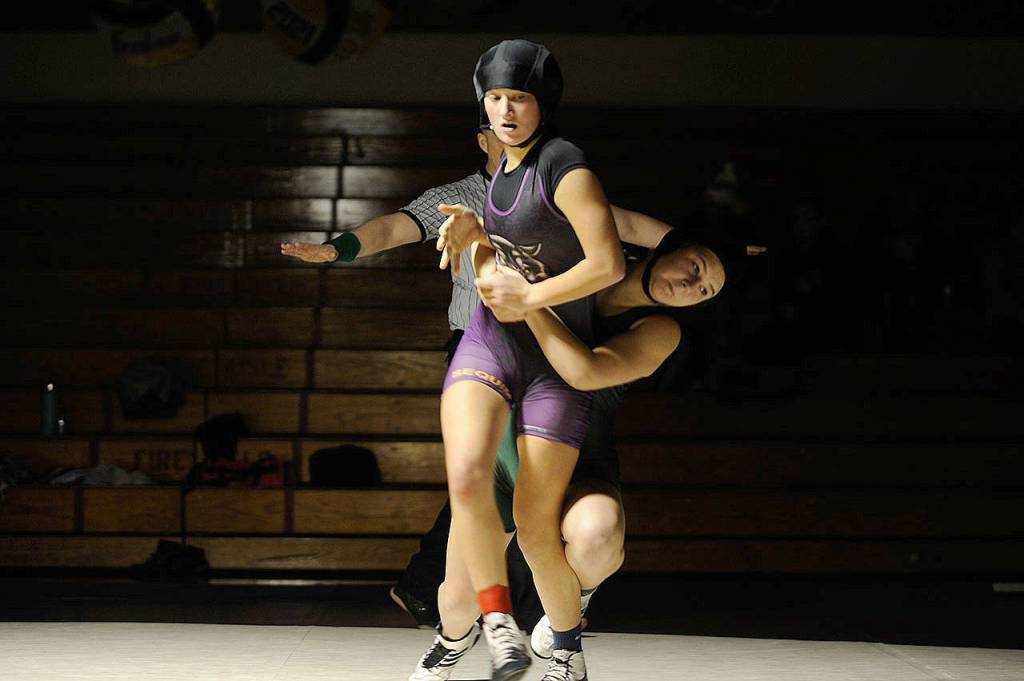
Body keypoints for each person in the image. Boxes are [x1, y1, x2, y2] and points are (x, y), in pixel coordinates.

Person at [409, 230, 728, 681]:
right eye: (694, 267)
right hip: (504, 466)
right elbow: (574, 199)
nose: (688, 284)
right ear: (672, 246)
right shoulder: (578, 260)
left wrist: (528, 302)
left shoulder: (660, 331)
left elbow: (582, 371)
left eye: (704, 290)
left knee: (597, 533)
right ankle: (452, 642)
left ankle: (571, 610)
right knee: (457, 604)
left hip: (578, 468)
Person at [431, 38, 637, 681]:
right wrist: (476, 235)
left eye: (518, 98)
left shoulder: (564, 164)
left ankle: (567, 649)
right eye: (494, 98)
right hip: (492, 340)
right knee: (464, 473)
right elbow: (515, 262)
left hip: (552, 358)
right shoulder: (504, 170)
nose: (505, 110)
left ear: (542, 103)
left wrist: (533, 295)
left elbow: (608, 263)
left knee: (533, 523)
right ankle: (500, 625)